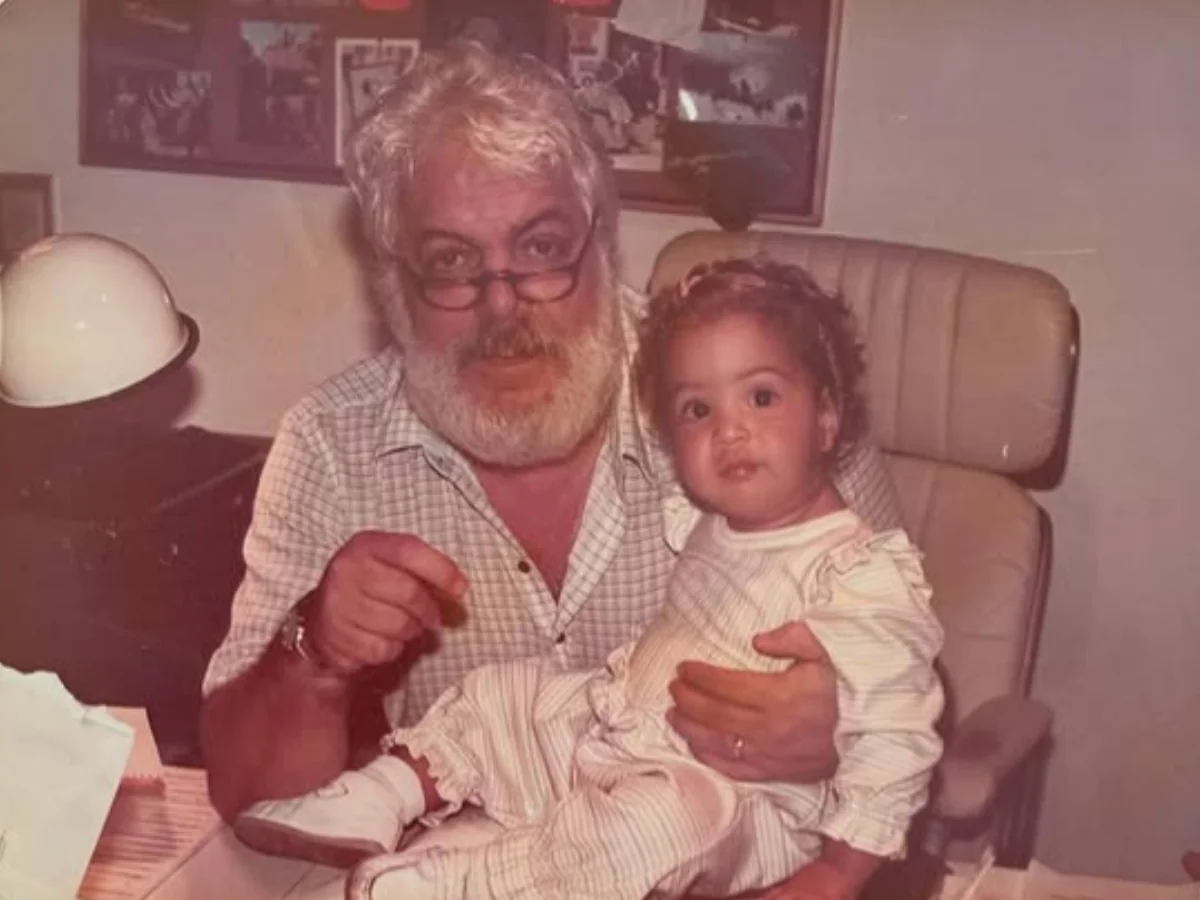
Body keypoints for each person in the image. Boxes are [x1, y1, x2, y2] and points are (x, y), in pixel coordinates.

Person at [199, 40, 908, 896]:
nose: (502, 305)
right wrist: (313, 652)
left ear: (601, 243)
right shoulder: (329, 446)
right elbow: (250, 797)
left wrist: (844, 721)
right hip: (468, 847)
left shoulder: (764, 406)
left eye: (540, 248)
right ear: (391, 280)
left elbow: (911, 710)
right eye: (451, 261)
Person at [234, 258, 945, 900]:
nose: (728, 430)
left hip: (737, 808)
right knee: (503, 694)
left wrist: (837, 876)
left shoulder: (860, 570)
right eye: (698, 410)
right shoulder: (704, 516)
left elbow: (900, 734)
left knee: (653, 824)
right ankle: (383, 795)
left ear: (828, 417)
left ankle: (476, 882)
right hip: (618, 727)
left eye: (761, 397)